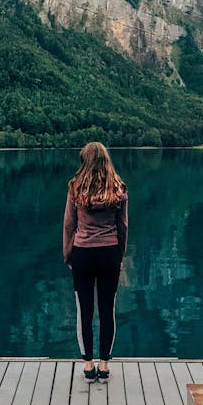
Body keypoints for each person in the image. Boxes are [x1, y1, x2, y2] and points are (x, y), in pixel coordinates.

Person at [63, 141, 128, 382]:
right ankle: (104, 363)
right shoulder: (118, 188)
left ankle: (88, 365)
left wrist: (68, 254)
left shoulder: (76, 188)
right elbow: (123, 226)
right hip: (109, 252)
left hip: (83, 253)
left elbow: (69, 225)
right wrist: (119, 254)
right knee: (107, 309)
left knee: (84, 310)